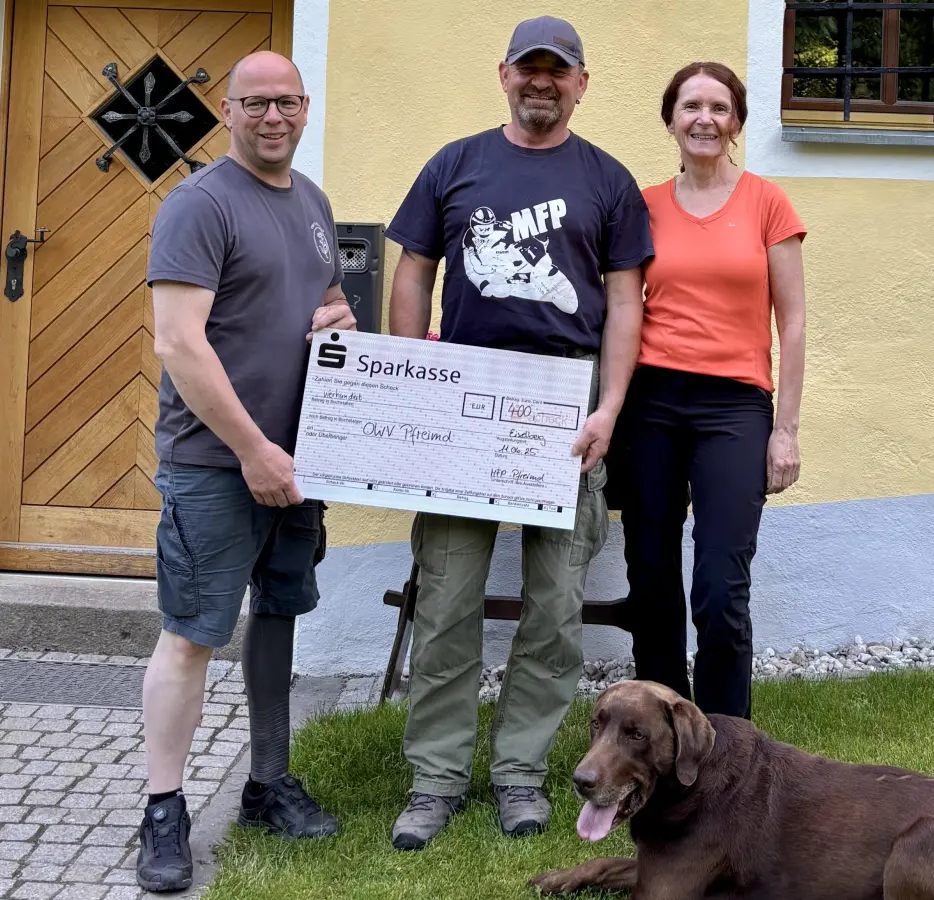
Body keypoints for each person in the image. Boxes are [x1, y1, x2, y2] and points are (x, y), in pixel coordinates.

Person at [382, 15, 653, 851]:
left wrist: (608, 408)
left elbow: (625, 302)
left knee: (553, 613)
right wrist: (406, 380)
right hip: (463, 415)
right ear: (503, 74)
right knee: (449, 604)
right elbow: (414, 269)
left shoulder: (608, 180)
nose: (542, 82)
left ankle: (522, 777)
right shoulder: (454, 164)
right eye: (528, 69)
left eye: (557, 71)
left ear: (581, 83)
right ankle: (434, 780)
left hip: (562, 419)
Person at [136, 50, 355, 892]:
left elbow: (318, 300)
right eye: (256, 103)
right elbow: (179, 343)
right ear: (226, 110)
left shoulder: (311, 202)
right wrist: (252, 451)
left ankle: (267, 784)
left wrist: (335, 314)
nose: (274, 117)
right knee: (192, 634)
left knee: (279, 616)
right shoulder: (197, 205)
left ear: (306, 108)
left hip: (299, 461)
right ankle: (164, 810)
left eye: (288, 102)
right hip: (218, 465)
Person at [612, 61, 806, 721]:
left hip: (735, 406)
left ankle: (728, 746)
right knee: (653, 578)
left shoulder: (767, 203)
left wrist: (787, 430)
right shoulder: (643, 206)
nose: (704, 118)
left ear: (737, 122)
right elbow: (621, 306)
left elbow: (795, 322)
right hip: (653, 402)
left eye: (719, 107)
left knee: (721, 590)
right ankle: (662, 737)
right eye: (691, 106)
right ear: (671, 119)